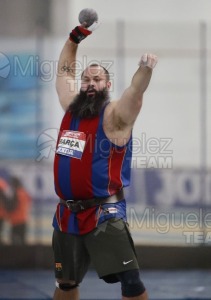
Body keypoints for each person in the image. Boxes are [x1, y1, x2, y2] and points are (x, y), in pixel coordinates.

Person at [52, 18, 157, 300]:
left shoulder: (115, 116)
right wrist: (77, 35)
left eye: (96, 79)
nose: (89, 83)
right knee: (66, 284)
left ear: (107, 84)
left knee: (131, 284)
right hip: (66, 216)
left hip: (103, 216)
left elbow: (135, 92)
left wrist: (145, 69)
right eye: (85, 79)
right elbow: (64, 69)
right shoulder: (70, 108)